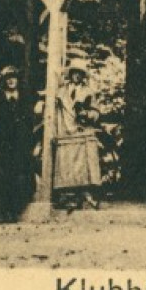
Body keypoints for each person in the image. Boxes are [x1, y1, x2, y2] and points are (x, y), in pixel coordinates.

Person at [0, 66, 34, 222]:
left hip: (20, 146)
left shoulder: (25, 99)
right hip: (1, 146)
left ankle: (13, 212)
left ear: (18, 80)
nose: (11, 81)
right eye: (8, 78)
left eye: (14, 77)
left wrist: (34, 145)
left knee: (18, 177)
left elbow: (30, 124)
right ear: (4, 81)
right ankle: (0, 213)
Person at [52, 65, 103, 209]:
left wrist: (87, 114)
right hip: (65, 131)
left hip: (82, 131)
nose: (77, 76)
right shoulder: (60, 92)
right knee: (66, 164)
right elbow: (53, 111)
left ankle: (86, 196)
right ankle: (68, 197)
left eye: (80, 73)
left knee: (82, 165)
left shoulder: (88, 92)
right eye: (75, 73)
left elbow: (96, 112)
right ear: (71, 74)